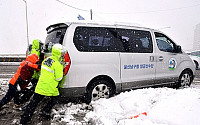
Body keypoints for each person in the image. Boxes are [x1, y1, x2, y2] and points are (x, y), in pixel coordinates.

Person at [20, 44, 67, 125]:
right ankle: (45, 111)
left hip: (40, 86)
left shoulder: (46, 60)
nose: (63, 54)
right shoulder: (58, 64)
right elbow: (59, 78)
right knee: (55, 99)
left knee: (33, 104)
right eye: (62, 53)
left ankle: (24, 120)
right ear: (59, 53)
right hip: (50, 87)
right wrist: (62, 69)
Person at [15, 39, 44, 107]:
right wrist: (38, 65)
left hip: (32, 74)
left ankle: (22, 100)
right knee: (33, 89)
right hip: (34, 74)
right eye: (40, 45)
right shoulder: (35, 52)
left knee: (33, 89)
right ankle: (24, 102)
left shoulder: (32, 51)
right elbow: (34, 64)